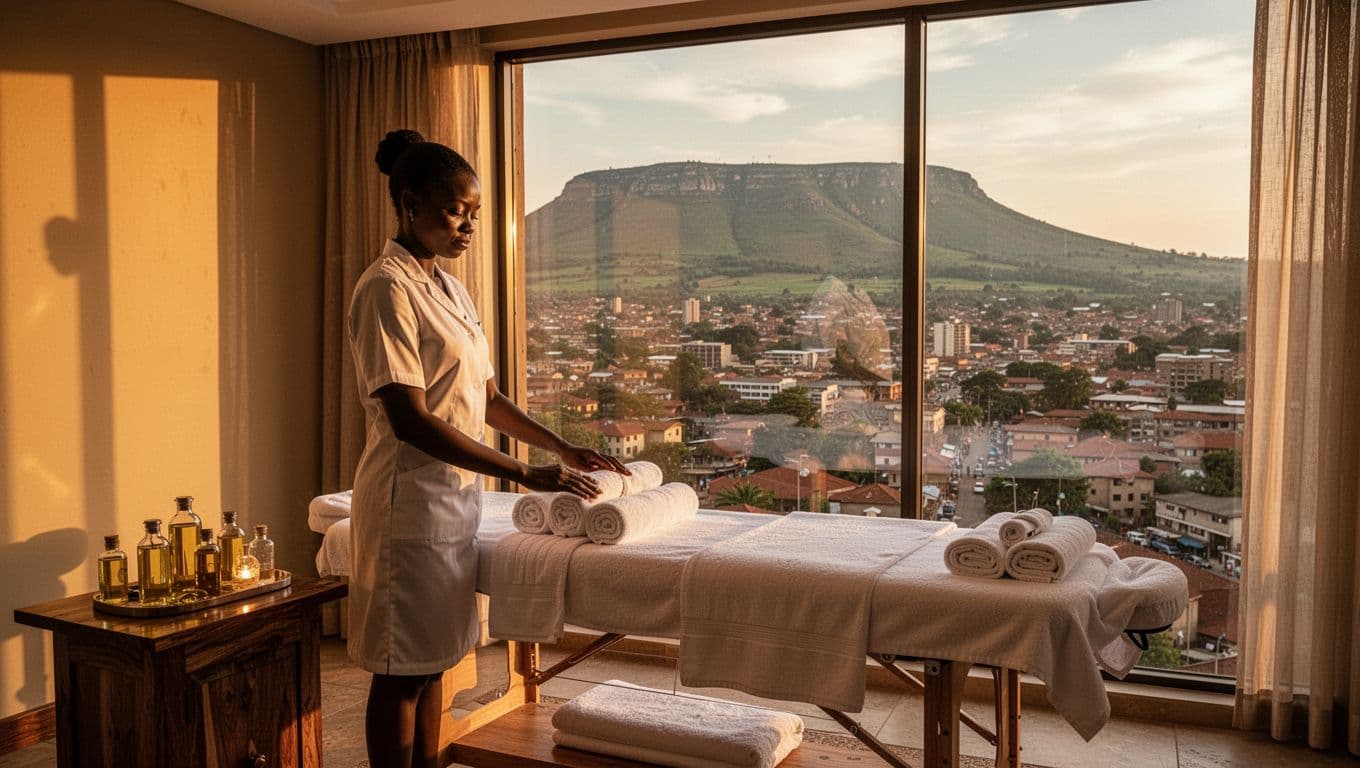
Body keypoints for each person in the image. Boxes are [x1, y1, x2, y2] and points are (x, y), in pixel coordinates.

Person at [347, 128, 627, 768]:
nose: (468, 225)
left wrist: (562, 446)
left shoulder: (449, 288)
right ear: (409, 203)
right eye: (455, 211)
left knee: (432, 663)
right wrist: (526, 473)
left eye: (474, 213)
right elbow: (409, 420)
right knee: (399, 670)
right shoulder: (385, 288)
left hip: (452, 504)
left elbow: (488, 397)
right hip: (405, 506)